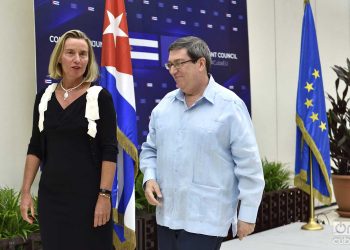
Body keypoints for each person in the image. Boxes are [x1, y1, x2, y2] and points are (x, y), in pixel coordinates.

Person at [140, 36, 265, 250]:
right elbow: (150, 149)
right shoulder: (164, 107)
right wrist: (149, 177)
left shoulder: (230, 106)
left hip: (206, 220)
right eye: (170, 64)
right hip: (167, 216)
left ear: (201, 64)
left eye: (179, 63)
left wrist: (248, 214)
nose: (173, 70)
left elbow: (249, 164)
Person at [20, 30, 117, 250]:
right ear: (59, 58)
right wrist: (25, 192)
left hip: (90, 199)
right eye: (71, 53)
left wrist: (104, 196)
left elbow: (109, 150)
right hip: (52, 199)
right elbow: (36, 146)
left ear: (89, 59)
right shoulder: (43, 97)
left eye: (83, 54)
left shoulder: (100, 97)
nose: (77, 59)